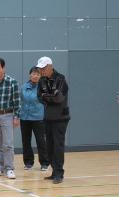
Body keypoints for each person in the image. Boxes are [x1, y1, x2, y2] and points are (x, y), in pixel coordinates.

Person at [36, 56, 70, 184]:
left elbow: (59, 98)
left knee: (58, 146)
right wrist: (48, 96)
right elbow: (39, 97)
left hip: (60, 118)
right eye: (40, 69)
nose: (42, 71)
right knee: (49, 145)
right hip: (48, 117)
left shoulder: (61, 79)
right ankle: (54, 171)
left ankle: (59, 173)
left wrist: (46, 96)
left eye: (44, 68)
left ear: (50, 66)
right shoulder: (42, 80)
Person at [20, 66, 49, 171]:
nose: (35, 76)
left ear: (40, 76)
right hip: (24, 118)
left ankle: (44, 163)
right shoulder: (23, 87)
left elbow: (47, 103)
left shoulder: (43, 87)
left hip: (38, 118)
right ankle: (28, 162)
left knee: (41, 141)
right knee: (26, 141)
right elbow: (21, 101)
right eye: (33, 73)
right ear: (30, 75)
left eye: (37, 74)